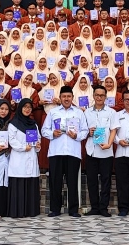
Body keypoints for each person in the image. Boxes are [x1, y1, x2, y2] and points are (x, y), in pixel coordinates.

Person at [41, 85, 89, 217]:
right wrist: (53, 133)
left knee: (72, 181)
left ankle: (73, 209)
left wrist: (77, 136)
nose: (66, 99)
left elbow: (85, 131)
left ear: (72, 97)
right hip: (56, 151)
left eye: (69, 96)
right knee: (55, 182)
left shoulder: (79, 112)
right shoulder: (53, 112)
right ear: (60, 98)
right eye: (64, 96)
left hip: (73, 152)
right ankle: (55, 209)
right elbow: (44, 130)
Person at [83, 85, 118, 217]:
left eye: (102, 95)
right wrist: (88, 132)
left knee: (106, 180)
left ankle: (104, 208)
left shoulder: (111, 112)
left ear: (105, 97)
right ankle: (94, 207)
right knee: (91, 180)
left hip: (106, 151)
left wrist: (109, 144)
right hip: (91, 150)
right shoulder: (86, 112)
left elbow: (114, 129)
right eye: (97, 95)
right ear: (93, 96)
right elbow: (82, 130)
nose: (99, 97)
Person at [7, 98, 42, 218]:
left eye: (29, 107)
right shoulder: (13, 123)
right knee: (19, 183)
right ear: (20, 108)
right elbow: (11, 140)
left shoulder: (33, 124)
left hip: (31, 156)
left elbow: (38, 138)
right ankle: (18, 211)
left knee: (30, 183)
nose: (27, 109)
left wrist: (38, 145)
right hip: (19, 157)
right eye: (25, 107)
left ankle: (30, 211)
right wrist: (23, 147)